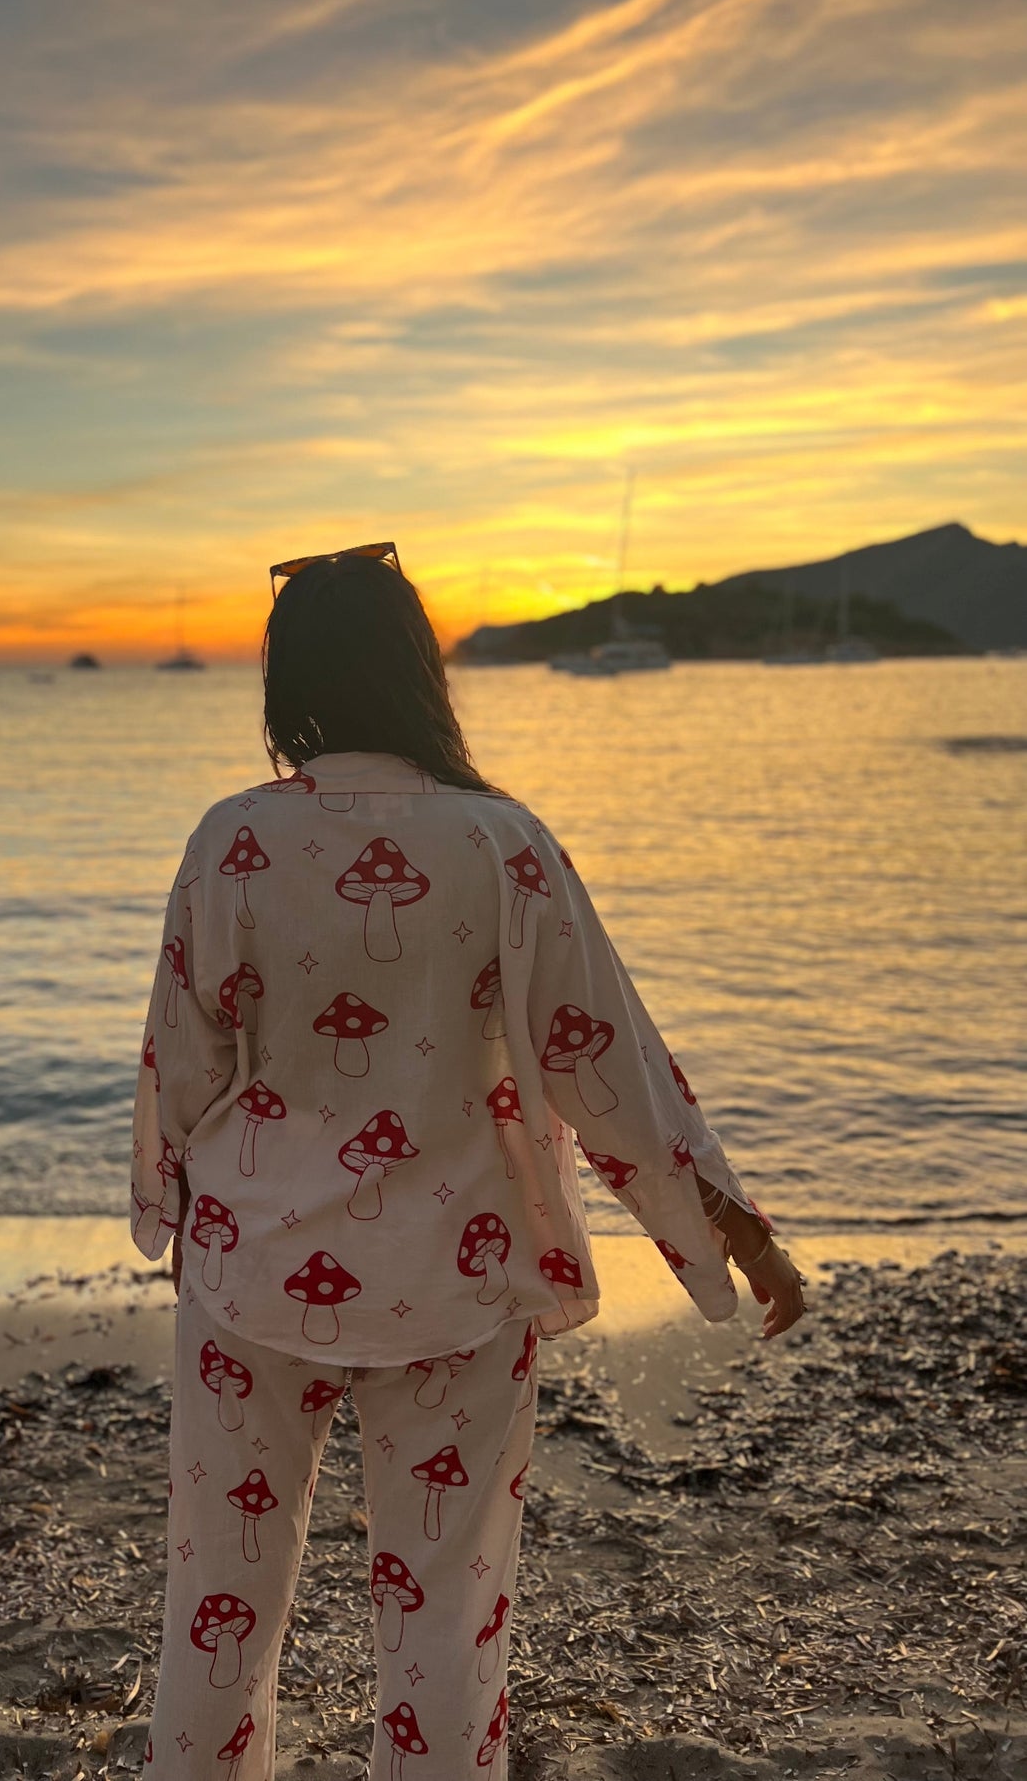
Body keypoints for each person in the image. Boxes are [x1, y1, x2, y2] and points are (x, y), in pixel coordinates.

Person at [131, 543, 804, 1779]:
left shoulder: (232, 840)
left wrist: (171, 1209)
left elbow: (184, 1060)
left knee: (215, 1605)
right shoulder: (502, 843)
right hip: (459, 1270)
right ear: (417, 671)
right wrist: (730, 1227)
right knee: (446, 1611)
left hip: (251, 1270)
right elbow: (605, 1059)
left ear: (289, 682)